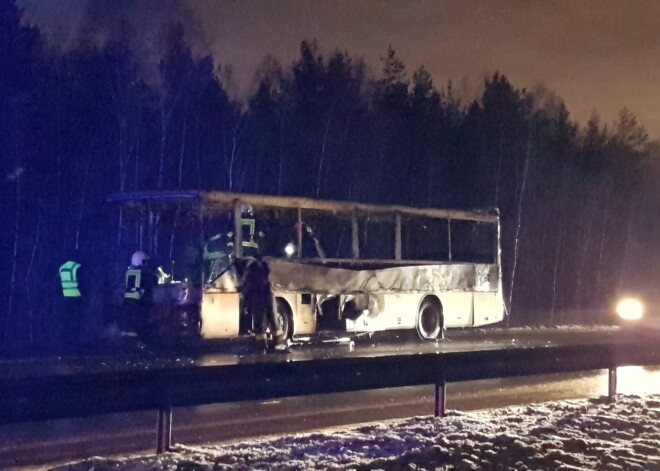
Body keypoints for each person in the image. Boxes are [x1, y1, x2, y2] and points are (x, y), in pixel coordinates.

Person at [236, 257, 287, 351]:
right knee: (273, 319)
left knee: (260, 321)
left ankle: (262, 344)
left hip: (259, 297)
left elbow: (248, 288)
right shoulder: (261, 269)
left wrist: (245, 303)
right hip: (268, 295)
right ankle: (278, 342)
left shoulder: (251, 273)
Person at [122, 250, 159, 340]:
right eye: (145, 261)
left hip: (127, 300)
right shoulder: (145, 272)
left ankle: (125, 341)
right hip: (140, 301)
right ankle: (138, 343)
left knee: (128, 322)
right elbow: (154, 280)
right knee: (140, 322)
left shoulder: (129, 271)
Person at [58, 253, 86, 353]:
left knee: (66, 322)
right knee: (76, 323)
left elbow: (58, 284)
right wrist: (84, 297)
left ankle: (65, 344)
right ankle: (74, 345)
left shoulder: (61, 268)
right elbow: (82, 284)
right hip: (76, 299)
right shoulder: (77, 267)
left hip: (65, 299)